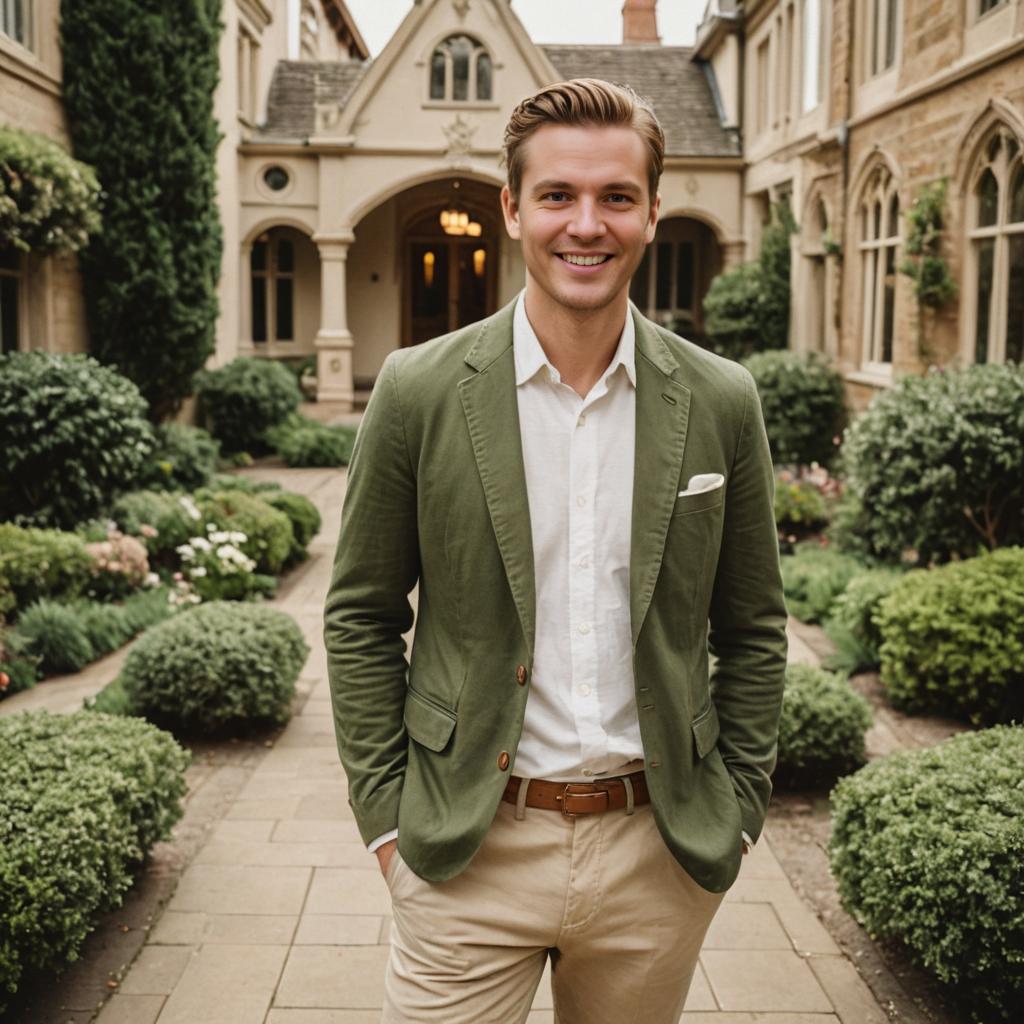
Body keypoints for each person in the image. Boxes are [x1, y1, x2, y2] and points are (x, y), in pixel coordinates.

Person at [323, 77, 788, 1024]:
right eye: (558, 196)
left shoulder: (722, 398)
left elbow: (754, 625)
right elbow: (361, 616)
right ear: (512, 208)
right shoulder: (417, 389)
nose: (588, 225)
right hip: (466, 849)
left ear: (654, 211)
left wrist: (734, 817)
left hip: (657, 855)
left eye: (617, 197)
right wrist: (386, 821)